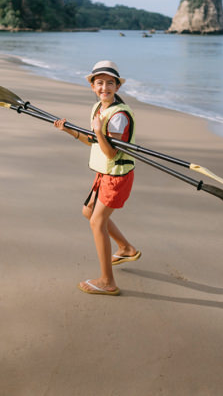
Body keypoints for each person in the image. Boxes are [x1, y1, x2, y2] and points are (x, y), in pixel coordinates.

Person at [53, 61, 141, 296]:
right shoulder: (98, 109)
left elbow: (110, 152)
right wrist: (69, 130)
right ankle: (126, 248)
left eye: (110, 83)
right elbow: (93, 141)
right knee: (88, 212)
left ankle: (107, 282)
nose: (105, 87)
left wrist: (99, 130)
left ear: (117, 87)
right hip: (104, 173)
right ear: (93, 86)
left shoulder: (118, 116)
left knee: (96, 221)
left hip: (117, 176)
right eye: (99, 83)